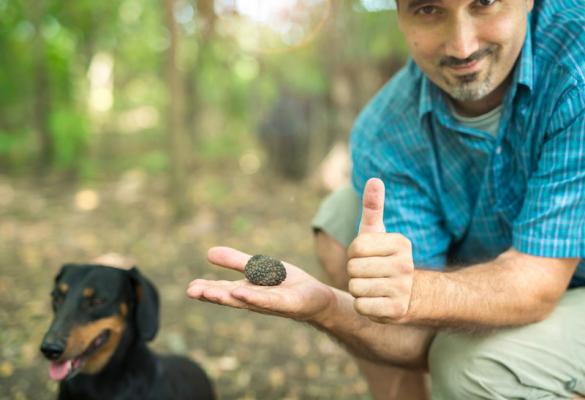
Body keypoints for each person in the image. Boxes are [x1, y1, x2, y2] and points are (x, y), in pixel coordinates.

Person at [187, 0, 585, 398]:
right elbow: (413, 340)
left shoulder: (575, 61)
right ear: (398, 12)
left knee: (470, 367)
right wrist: (327, 307)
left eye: (483, 3)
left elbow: (536, 284)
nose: (462, 46)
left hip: (552, 276)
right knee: (343, 220)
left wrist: (414, 292)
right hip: (505, 266)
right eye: (428, 10)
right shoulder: (385, 129)